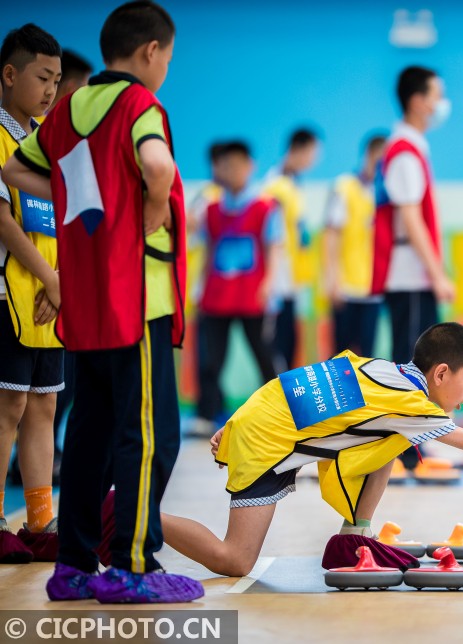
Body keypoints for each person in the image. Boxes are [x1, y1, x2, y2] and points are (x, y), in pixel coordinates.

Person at [3, 0, 203, 603]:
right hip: (135, 299)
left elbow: (16, 172)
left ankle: (72, 566)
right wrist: (148, 209)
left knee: (88, 432)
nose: (166, 67)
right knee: (148, 436)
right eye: (169, 57)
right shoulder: (138, 104)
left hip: (86, 301)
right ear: (151, 51)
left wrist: (79, 199)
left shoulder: (69, 107)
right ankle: (133, 569)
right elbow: (156, 165)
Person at [155, 322, 463, 577]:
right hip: (265, 440)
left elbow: (301, 383)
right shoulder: (409, 404)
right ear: (442, 373)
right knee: (234, 559)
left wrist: (238, 418)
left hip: (262, 415)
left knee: (393, 441)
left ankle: (354, 537)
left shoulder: (387, 372)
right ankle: (135, 516)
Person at [0, 23, 62, 564]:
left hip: (50, 297)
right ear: (9, 74)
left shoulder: (49, 142)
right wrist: (50, 277)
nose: (50, 90)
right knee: (9, 405)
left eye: (57, 81)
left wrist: (59, 283)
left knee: (44, 404)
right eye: (43, 78)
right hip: (9, 295)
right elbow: (4, 221)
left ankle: (41, 522)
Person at [373, 66, 454, 470]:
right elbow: (410, 218)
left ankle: (410, 444)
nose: (442, 104)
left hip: (412, 274)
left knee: (418, 360)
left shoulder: (412, 147)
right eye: (437, 96)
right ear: (418, 101)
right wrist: (437, 274)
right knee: (413, 363)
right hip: (408, 276)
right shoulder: (404, 151)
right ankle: (405, 447)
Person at [191, 141, 283, 437]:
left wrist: (269, 283)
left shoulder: (266, 207)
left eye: (238, 165)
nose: (232, 171)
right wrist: (200, 287)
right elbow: (208, 250)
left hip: (253, 295)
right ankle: (206, 414)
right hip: (217, 296)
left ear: (250, 166)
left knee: (264, 355)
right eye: (226, 165)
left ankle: (280, 412)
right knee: (210, 358)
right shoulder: (211, 209)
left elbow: (274, 248)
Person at [324, 132, 387, 357]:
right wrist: (332, 279)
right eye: (377, 160)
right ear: (368, 154)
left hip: (373, 289)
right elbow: (331, 235)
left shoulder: (384, 192)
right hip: (346, 287)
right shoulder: (344, 187)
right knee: (341, 356)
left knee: (367, 356)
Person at [264, 128, 319, 373]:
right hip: (280, 277)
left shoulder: (294, 183)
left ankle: (286, 386)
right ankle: (276, 387)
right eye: (312, 154)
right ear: (299, 149)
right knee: (279, 339)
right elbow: (273, 235)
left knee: (291, 338)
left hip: (293, 277)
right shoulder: (276, 185)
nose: (313, 161)